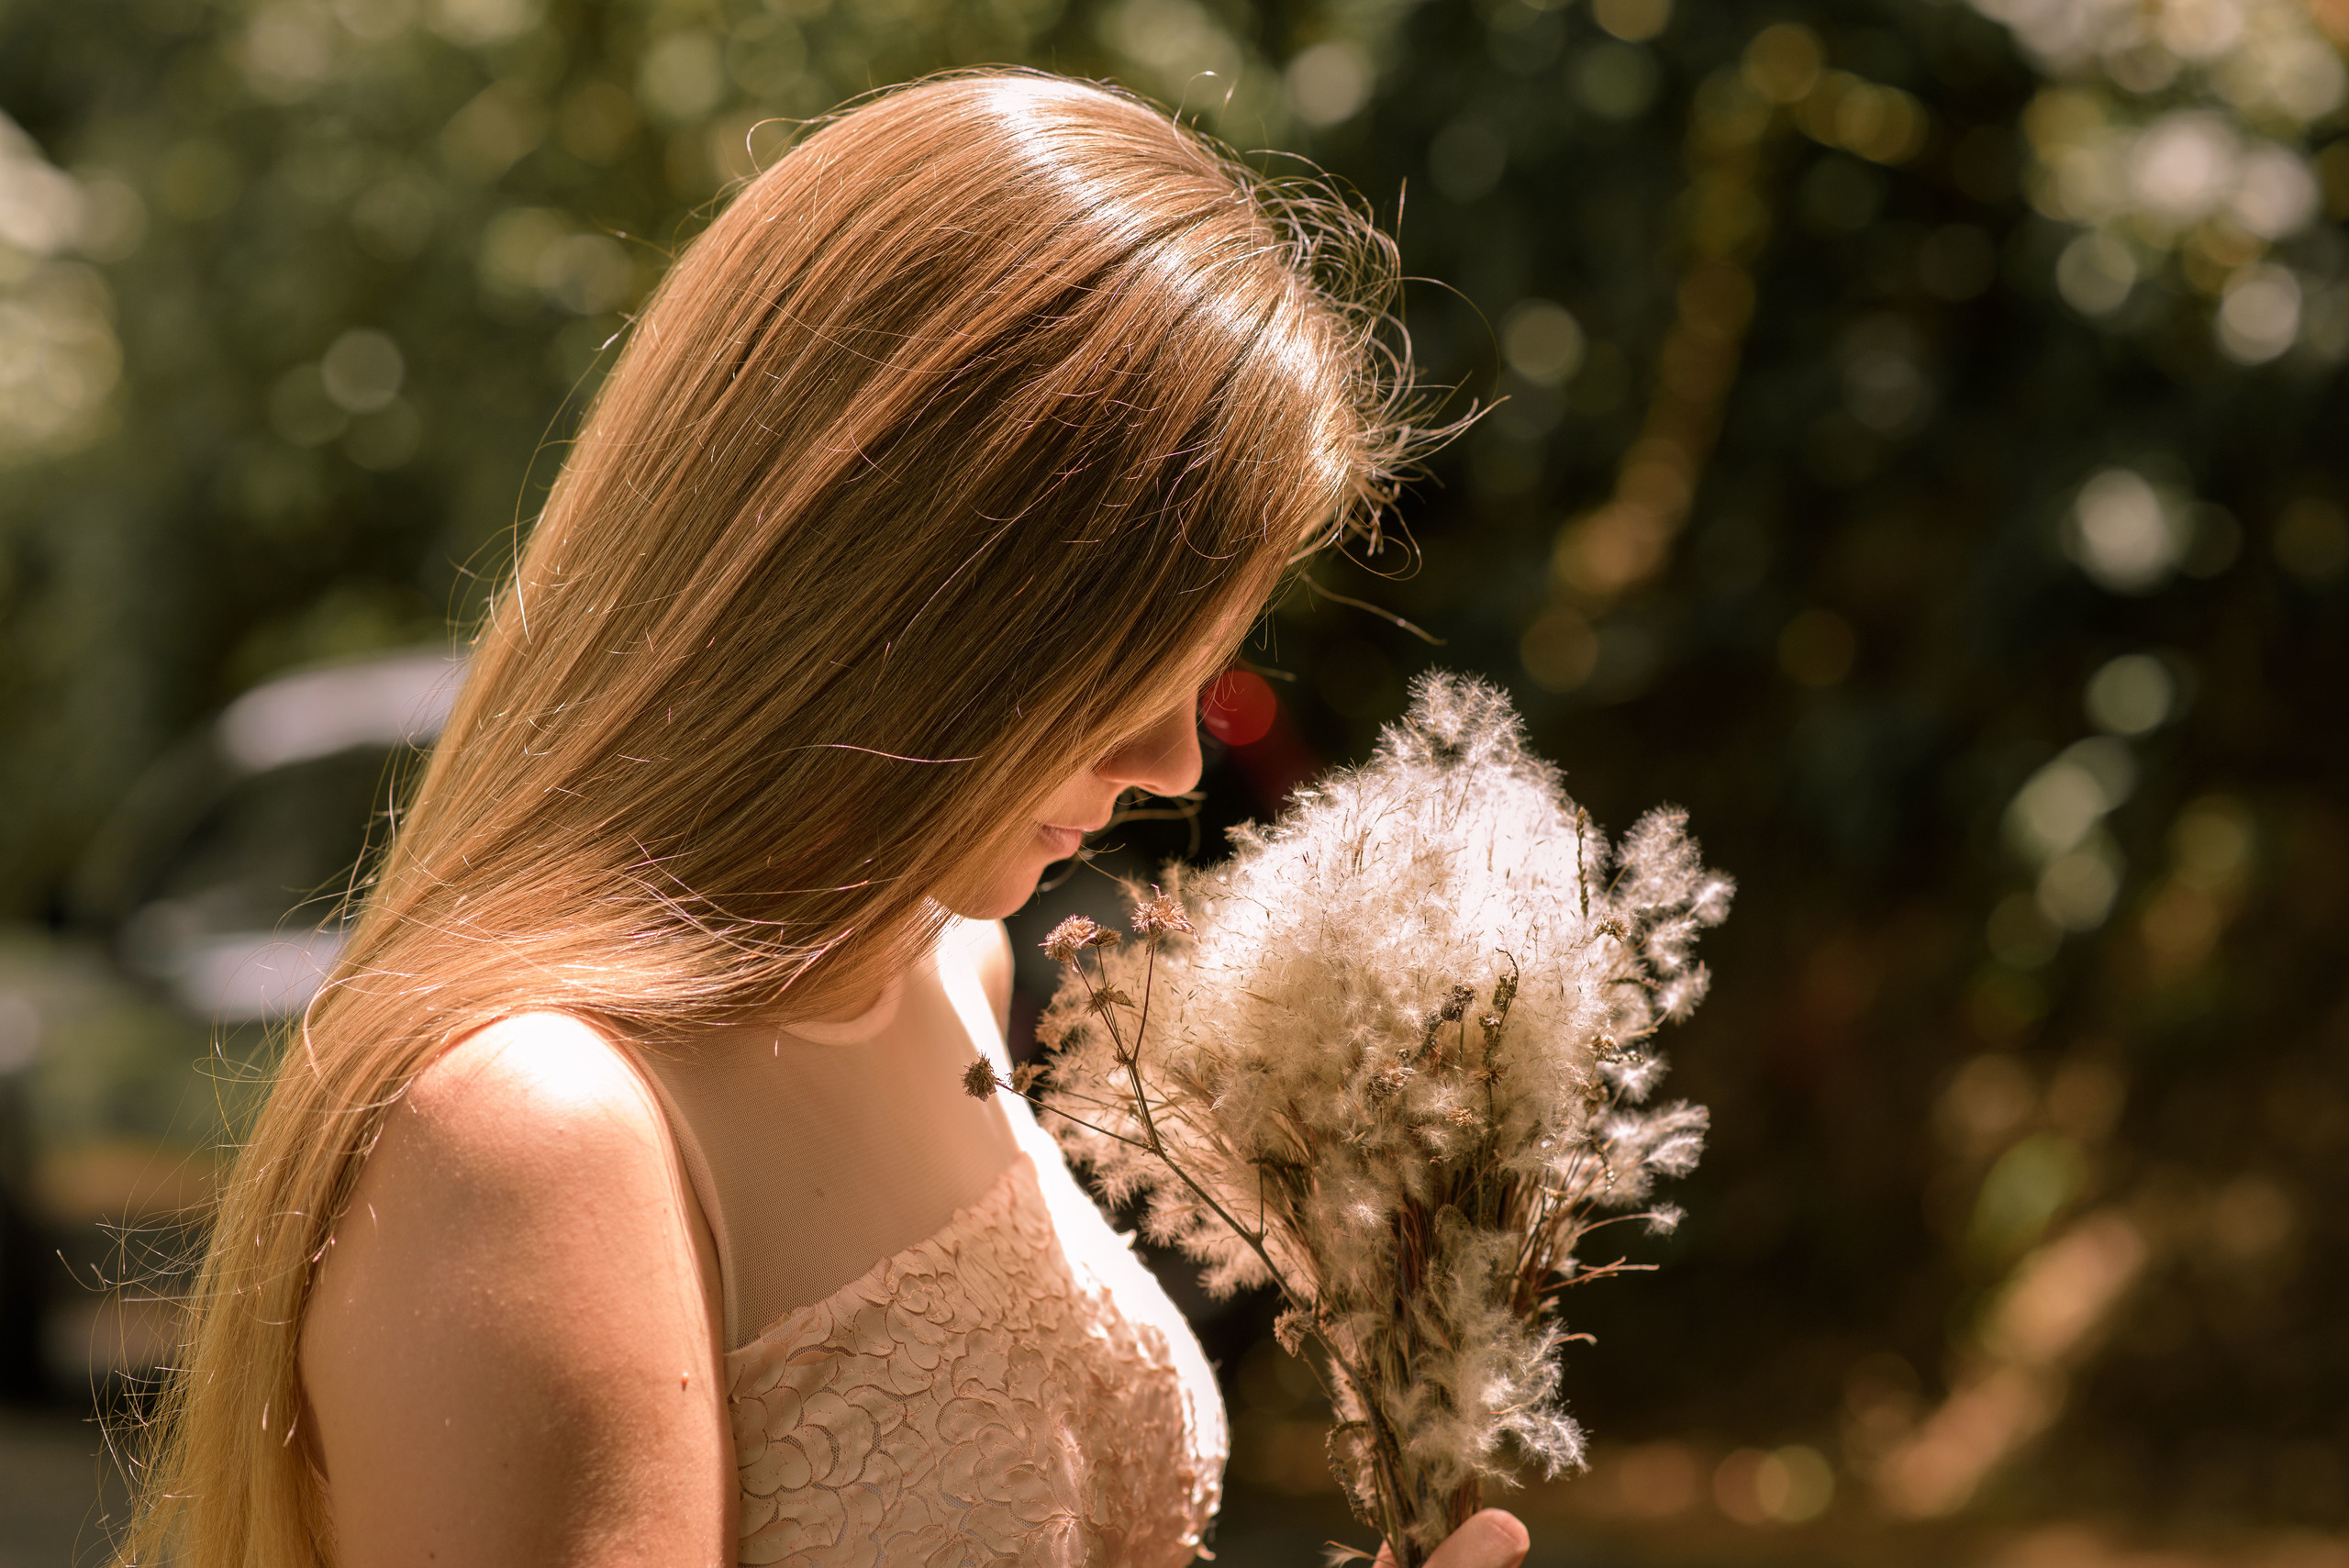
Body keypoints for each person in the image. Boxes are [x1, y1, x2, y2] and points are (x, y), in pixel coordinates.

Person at [118, 69, 1530, 1568]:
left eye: (1207, 659)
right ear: (891, 603)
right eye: (1121, 660)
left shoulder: (950, 970)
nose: (1176, 760)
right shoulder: (538, 1135)